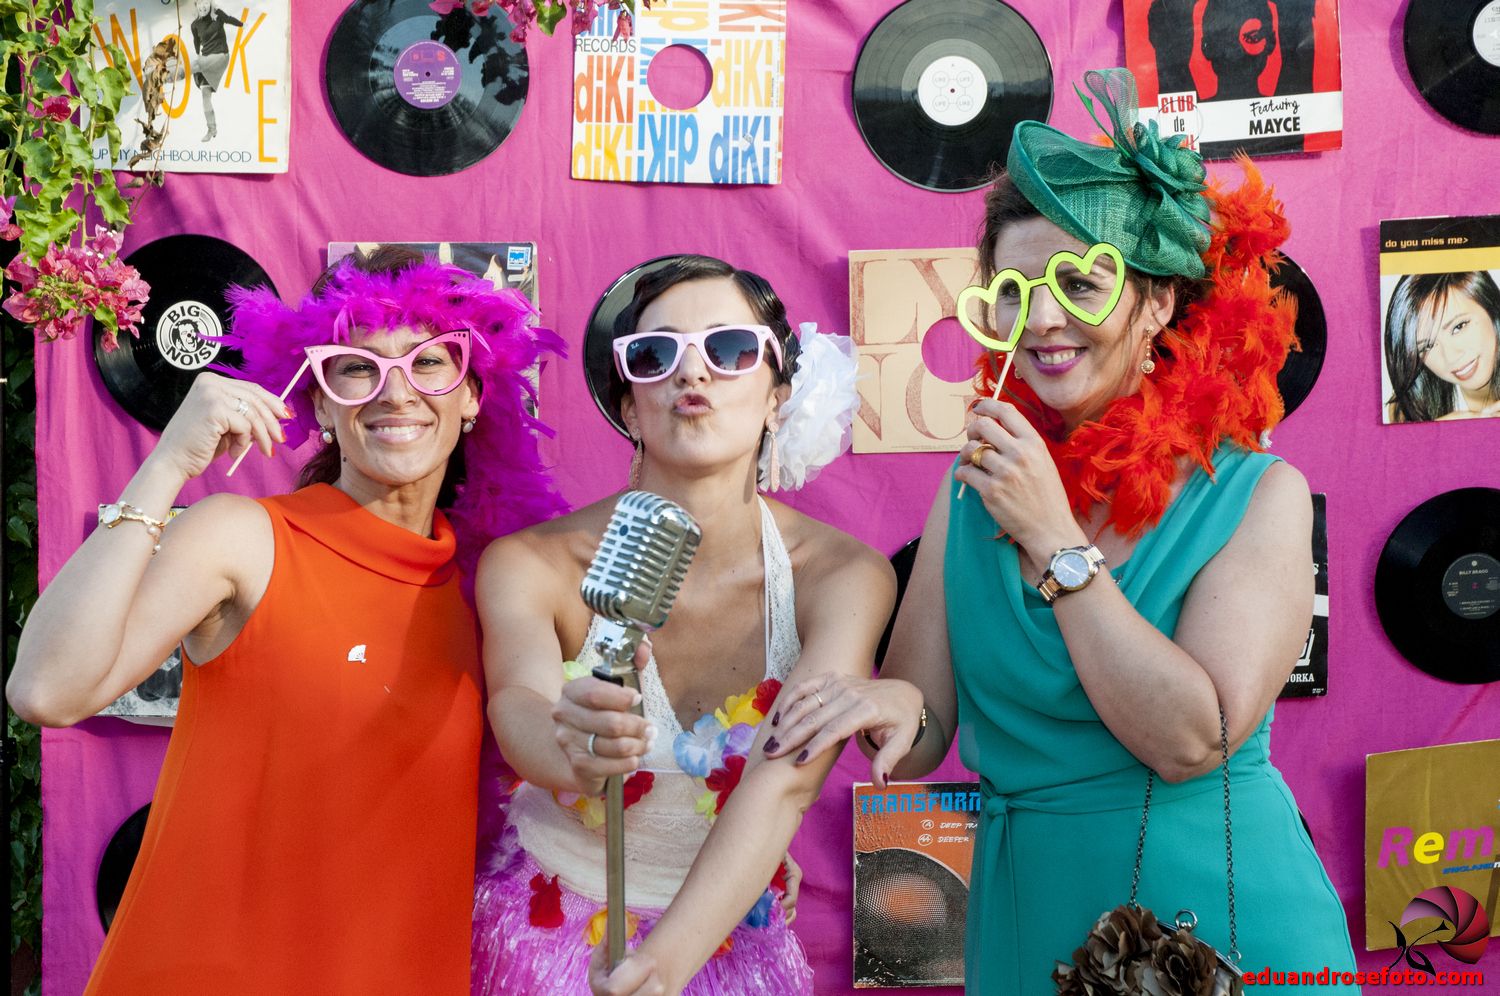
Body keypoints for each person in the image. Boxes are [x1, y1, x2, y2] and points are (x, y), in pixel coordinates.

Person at [765, 70, 1359, 993]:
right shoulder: (972, 492)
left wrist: (1054, 540)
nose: (1040, 320)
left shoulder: (1260, 495)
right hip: (1027, 917)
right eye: (1011, 289)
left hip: (1221, 924)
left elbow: (1191, 739)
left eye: (1080, 282)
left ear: (1158, 301)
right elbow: (925, 729)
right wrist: (889, 709)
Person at [7, 247, 564, 993]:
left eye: (431, 362)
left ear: (472, 395)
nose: (395, 393)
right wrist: (167, 462)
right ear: (321, 400)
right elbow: (46, 690)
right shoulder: (246, 538)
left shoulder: (493, 586)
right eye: (357, 367)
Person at [470, 254, 890, 995]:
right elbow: (520, 705)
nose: (691, 376)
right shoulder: (531, 564)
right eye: (656, 355)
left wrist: (659, 970)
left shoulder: (842, 576)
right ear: (630, 406)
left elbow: (788, 780)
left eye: (728, 351)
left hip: (729, 942)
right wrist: (573, 744)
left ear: (776, 395)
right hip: (550, 939)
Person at [1383, 270, 1500, 422]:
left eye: (1459, 327)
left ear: (1491, 309)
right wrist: (1435, 437)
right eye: (1427, 346)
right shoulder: (1409, 409)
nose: (1451, 357)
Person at [189, 0, 242, 141]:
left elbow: (229, 19)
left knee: (194, 66)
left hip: (220, 56)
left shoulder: (218, 16)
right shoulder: (194, 25)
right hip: (206, 59)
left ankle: (168, 75)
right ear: (196, 5)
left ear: (210, 4)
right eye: (200, 3)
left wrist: (242, 24)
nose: (203, 6)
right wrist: (197, 53)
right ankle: (212, 129)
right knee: (205, 96)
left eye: (206, 2)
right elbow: (196, 41)